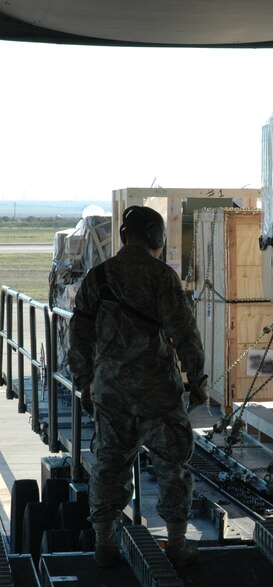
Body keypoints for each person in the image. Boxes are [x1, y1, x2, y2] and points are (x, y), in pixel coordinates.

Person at [68, 205, 209, 568]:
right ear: (155, 237)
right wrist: (197, 381)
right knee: (172, 465)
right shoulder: (162, 277)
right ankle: (176, 544)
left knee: (109, 465)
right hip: (157, 391)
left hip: (110, 391)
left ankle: (104, 544)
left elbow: (78, 335)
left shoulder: (98, 277)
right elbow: (185, 333)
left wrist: (85, 383)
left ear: (123, 236)